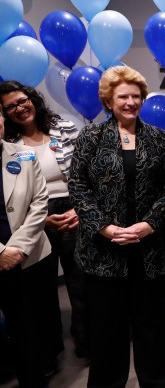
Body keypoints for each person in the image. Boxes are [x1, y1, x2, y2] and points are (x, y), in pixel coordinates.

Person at [69, 66, 165, 388]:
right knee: (107, 330)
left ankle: (156, 382)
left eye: (135, 96)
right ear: (108, 101)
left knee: (152, 326)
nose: (131, 102)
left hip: (150, 250)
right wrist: (105, 228)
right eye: (123, 96)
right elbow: (78, 185)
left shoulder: (157, 138)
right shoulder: (90, 137)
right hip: (103, 251)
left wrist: (148, 225)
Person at [0, 80, 88, 364]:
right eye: (10, 106)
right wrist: (41, 219)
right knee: (41, 289)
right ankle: (50, 350)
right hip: (33, 218)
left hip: (74, 209)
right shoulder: (8, 144)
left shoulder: (64, 127)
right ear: (4, 113)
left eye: (22, 100)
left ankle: (86, 343)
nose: (19, 108)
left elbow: (87, 172)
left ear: (32, 99)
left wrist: (79, 209)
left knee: (80, 282)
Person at [0, 111, 52, 387]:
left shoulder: (23, 154)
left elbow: (39, 201)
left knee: (28, 332)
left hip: (26, 257)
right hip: (3, 257)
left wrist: (17, 248)